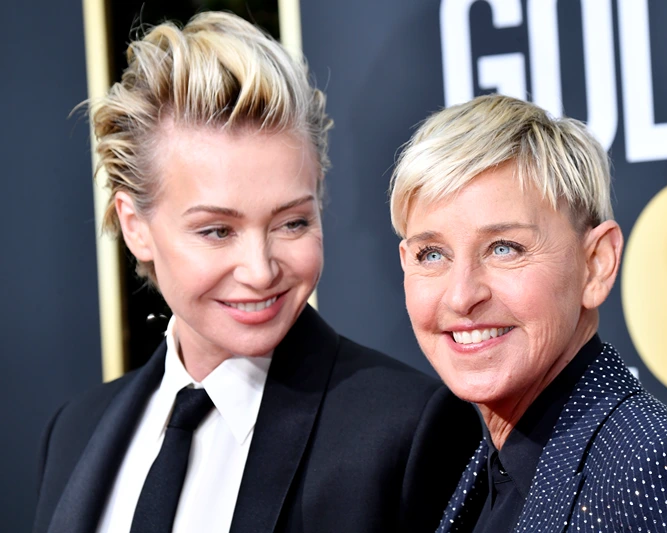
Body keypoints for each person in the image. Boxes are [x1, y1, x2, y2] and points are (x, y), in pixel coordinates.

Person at [33, 12, 479, 533]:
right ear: (137, 228)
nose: (261, 270)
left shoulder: (406, 431)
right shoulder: (73, 433)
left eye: (292, 223)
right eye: (217, 231)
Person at [389, 94, 667, 532]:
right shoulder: (482, 473)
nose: (462, 296)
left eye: (505, 249)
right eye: (432, 254)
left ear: (596, 263)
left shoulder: (654, 476)